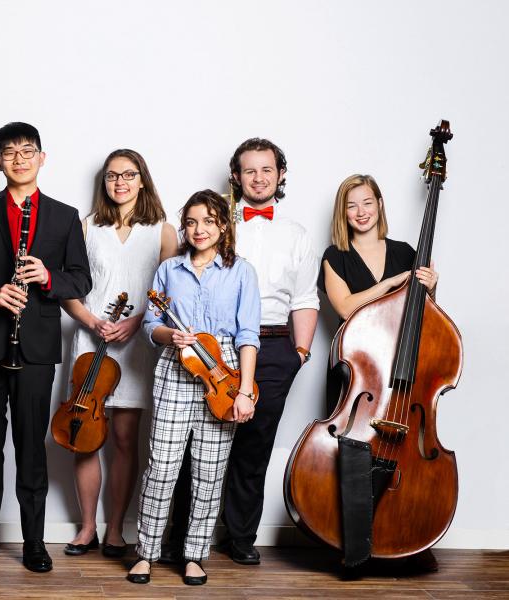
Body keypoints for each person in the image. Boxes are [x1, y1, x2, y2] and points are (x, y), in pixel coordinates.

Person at [162, 138, 319, 566]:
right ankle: (180, 538)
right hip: (213, 345)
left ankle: (240, 536)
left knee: (253, 444)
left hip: (272, 346)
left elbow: (305, 299)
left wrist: (299, 354)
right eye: (249, 171)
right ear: (236, 176)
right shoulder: (210, 222)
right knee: (194, 440)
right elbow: (181, 280)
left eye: (267, 170)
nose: (259, 178)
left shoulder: (297, 234)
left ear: (280, 175)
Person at [0, 122, 91, 573]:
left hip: (34, 346)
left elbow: (81, 278)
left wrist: (48, 279)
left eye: (28, 150)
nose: (19, 158)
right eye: (9, 153)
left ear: (42, 158)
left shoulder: (64, 215)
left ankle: (35, 540)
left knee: (31, 447)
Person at [127, 190, 260, 586]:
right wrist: (170, 335)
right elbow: (151, 325)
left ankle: (195, 555)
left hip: (225, 372)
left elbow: (248, 333)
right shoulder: (169, 269)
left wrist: (245, 390)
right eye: (191, 222)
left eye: (208, 221)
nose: (199, 230)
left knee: (209, 469)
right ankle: (146, 553)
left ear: (223, 225)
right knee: (162, 468)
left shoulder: (242, 271)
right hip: (175, 370)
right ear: (183, 226)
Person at [319, 173, 439, 573]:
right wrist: (391, 283)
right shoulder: (335, 256)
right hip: (359, 377)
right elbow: (345, 307)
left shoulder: (408, 252)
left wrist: (430, 287)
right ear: (343, 213)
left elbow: (423, 318)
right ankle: (353, 546)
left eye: (367, 202)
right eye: (352, 205)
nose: (361, 212)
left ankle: (401, 536)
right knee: (352, 453)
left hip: (401, 378)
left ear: (380, 204)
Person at [61, 149, 177, 558]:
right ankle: (87, 527)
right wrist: (92, 322)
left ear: (142, 179)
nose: (120, 182)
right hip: (91, 339)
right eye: (112, 176)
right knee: (85, 436)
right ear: (104, 182)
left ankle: (114, 529)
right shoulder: (86, 226)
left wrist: (137, 322)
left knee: (126, 438)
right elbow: (68, 289)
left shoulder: (163, 230)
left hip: (138, 342)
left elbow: (169, 293)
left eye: (129, 175)